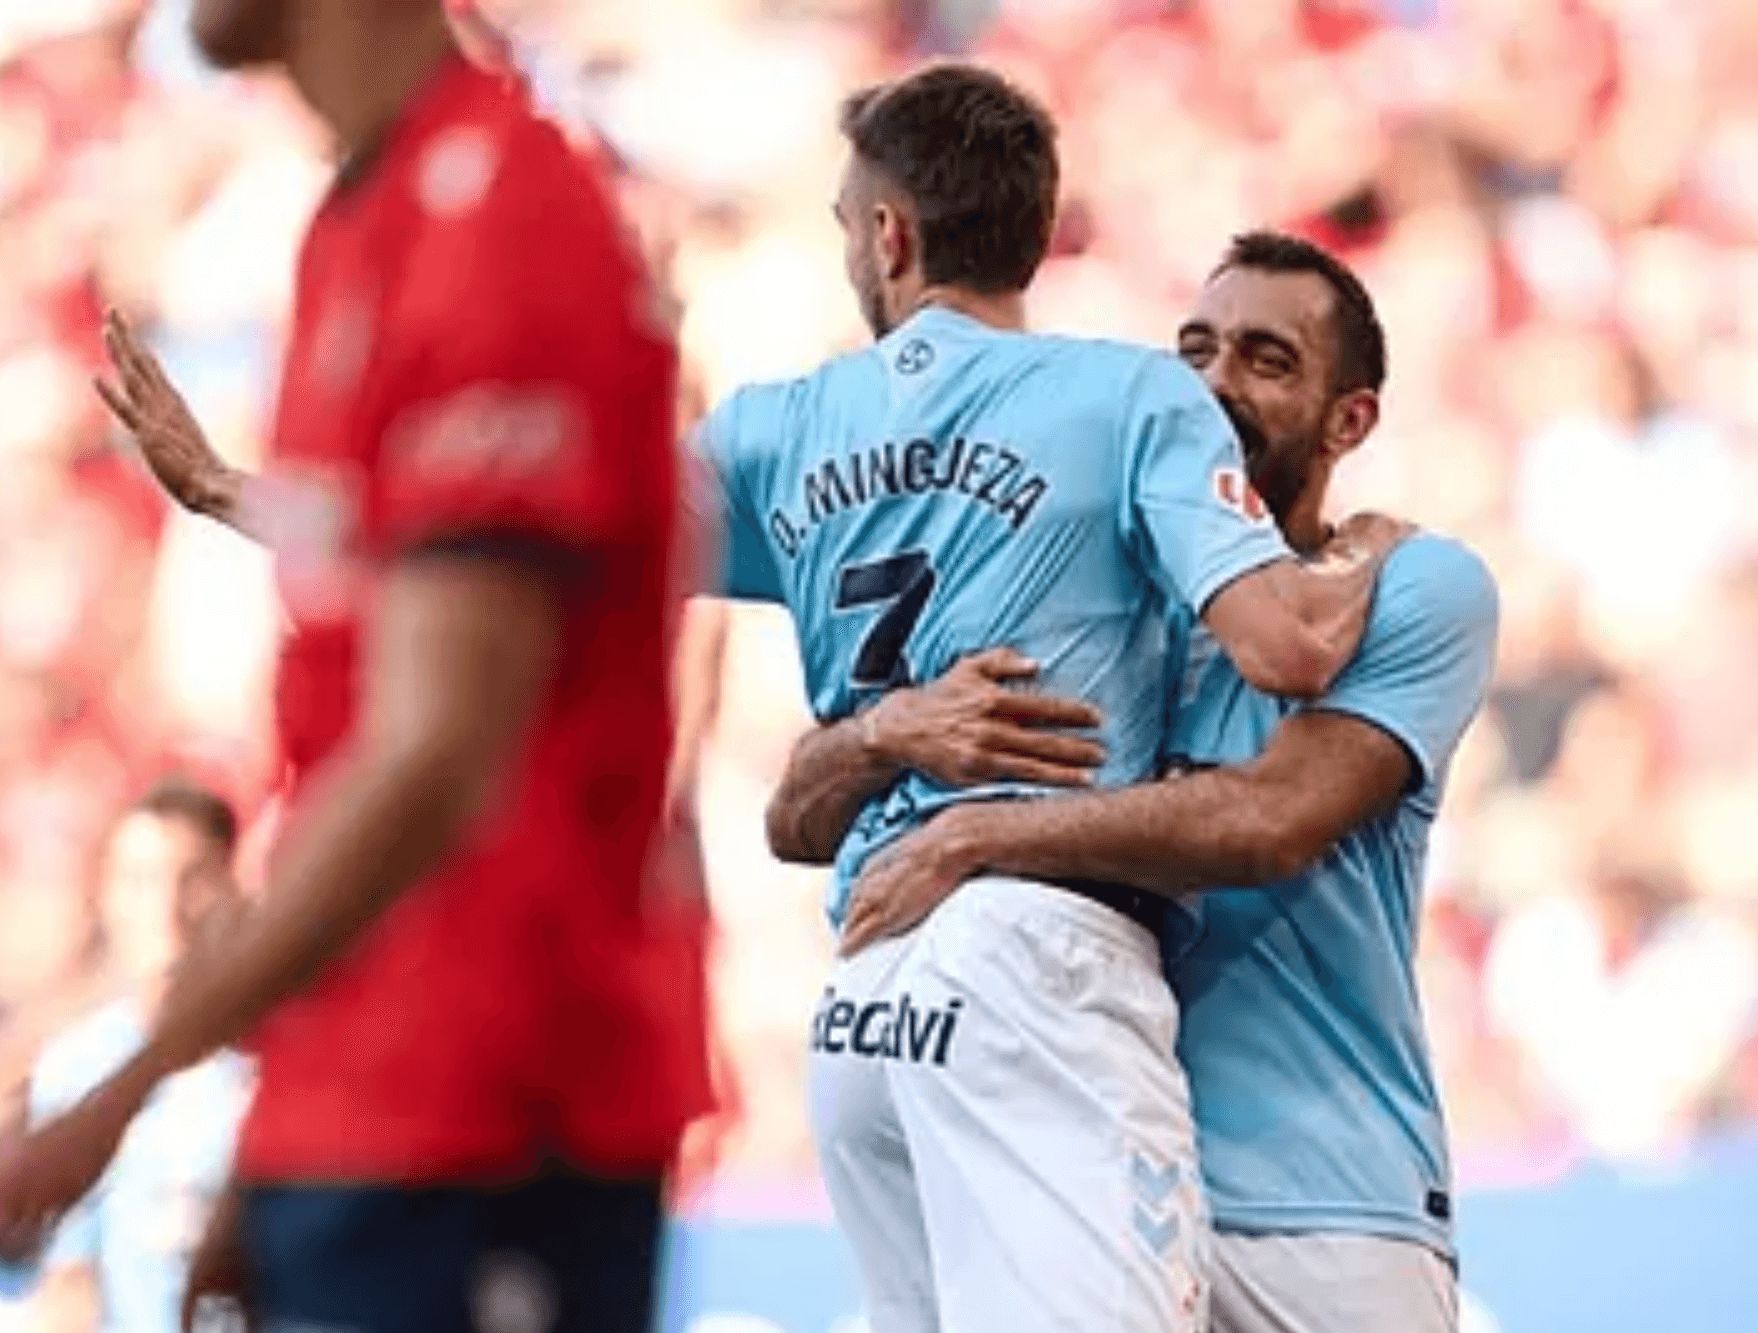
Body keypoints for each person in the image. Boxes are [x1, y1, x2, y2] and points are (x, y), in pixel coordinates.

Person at [0, 3, 709, 1331]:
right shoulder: (355, 218)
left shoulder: (503, 216)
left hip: (498, 1111)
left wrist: (117, 1092)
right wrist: (267, 1153)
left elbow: (439, 759)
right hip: (371, 1107)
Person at [699, 62, 1394, 1333]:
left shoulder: (771, 426)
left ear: (889, 236)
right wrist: (1362, 551)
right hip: (1036, 959)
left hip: (860, 992)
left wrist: (237, 485)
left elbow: (536, 538)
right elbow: (1287, 651)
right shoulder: (1126, 394)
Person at [790, 231, 1498, 1333]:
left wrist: (977, 837)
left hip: (1320, 1200)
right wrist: (888, 730)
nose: (1213, 382)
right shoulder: (1103, 594)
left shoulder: (1415, 586)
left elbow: (1271, 820)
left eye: (1266, 360)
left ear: (1346, 419)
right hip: (1079, 1163)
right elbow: (794, 813)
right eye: (1195, 350)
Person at [28, 781, 251, 1333]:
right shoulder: (76, 1065)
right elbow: (69, 1278)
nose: (166, 908)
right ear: (104, 895)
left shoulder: (273, 1059)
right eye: (139, 880)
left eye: (193, 878)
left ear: (233, 888)